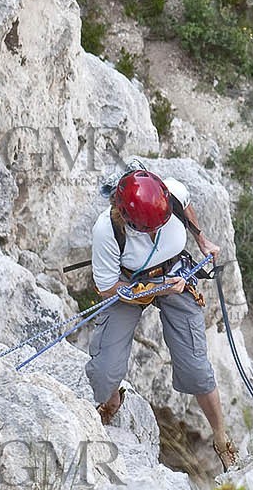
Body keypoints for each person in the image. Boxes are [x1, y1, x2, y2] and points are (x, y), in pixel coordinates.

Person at [86, 165, 237, 470]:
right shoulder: (107, 230)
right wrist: (160, 287)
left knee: (196, 368)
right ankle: (112, 399)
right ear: (127, 219)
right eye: (148, 230)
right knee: (104, 371)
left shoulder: (171, 195)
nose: (156, 232)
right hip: (127, 284)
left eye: (160, 226)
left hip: (174, 272)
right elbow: (108, 290)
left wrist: (202, 240)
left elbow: (186, 206)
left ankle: (221, 437)